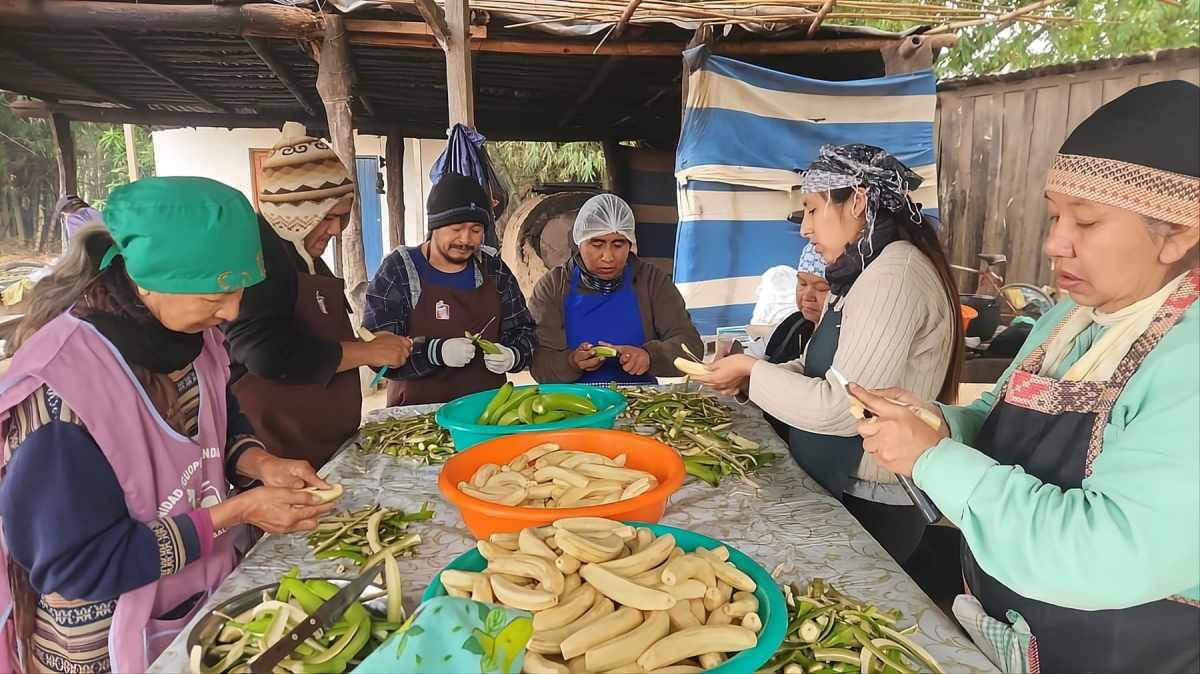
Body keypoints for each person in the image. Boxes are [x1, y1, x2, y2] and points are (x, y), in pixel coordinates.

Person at [854, 81, 1199, 673]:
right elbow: (999, 417)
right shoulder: (1069, 318)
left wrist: (935, 459)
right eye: (1055, 214)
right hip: (1018, 635)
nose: (1053, 243)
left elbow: (1106, 555)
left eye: (1085, 222)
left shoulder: (1186, 359)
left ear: (1179, 234)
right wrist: (937, 422)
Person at [0, 177, 335, 673]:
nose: (233, 310)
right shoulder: (62, 393)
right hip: (101, 642)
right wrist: (234, 513)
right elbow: (78, 565)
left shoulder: (193, 342)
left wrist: (261, 463)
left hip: (193, 607)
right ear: (150, 280)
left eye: (240, 287)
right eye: (213, 295)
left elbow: (217, 422)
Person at [692, 144, 963, 564]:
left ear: (857, 199)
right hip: (835, 477)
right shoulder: (862, 270)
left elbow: (842, 408)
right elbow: (822, 367)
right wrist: (753, 374)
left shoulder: (893, 275)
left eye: (813, 209)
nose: (804, 228)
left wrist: (751, 369)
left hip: (873, 497)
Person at [222, 123, 411, 468]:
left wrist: (368, 345)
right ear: (297, 209)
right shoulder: (259, 258)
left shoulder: (304, 259)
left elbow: (315, 337)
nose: (336, 230)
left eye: (342, 217)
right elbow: (266, 354)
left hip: (319, 449)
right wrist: (365, 350)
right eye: (329, 216)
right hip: (278, 454)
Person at [364, 172, 535, 405]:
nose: (465, 239)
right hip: (417, 418)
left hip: (485, 412)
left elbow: (524, 332)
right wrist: (435, 352)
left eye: (476, 230)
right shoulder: (400, 269)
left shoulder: (494, 270)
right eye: (456, 228)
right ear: (434, 226)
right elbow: (377, 352)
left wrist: (514, 355)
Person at [529, 194, 703, 384]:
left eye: (618, 244)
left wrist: (650, 356)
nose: (608, 257)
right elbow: (539, 364)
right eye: (597, 244)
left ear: (630, 243)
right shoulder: (554, 286)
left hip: (640, 399)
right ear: (579, 242)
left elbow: (691, 346)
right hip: (577, 403)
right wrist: (571, 362)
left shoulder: (651, 281)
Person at [760, 242, 830, 439]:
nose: (807, 296)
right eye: (802, 283)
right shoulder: (791, 325)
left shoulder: (842, 335)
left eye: (822, 287)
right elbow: (759, 356)